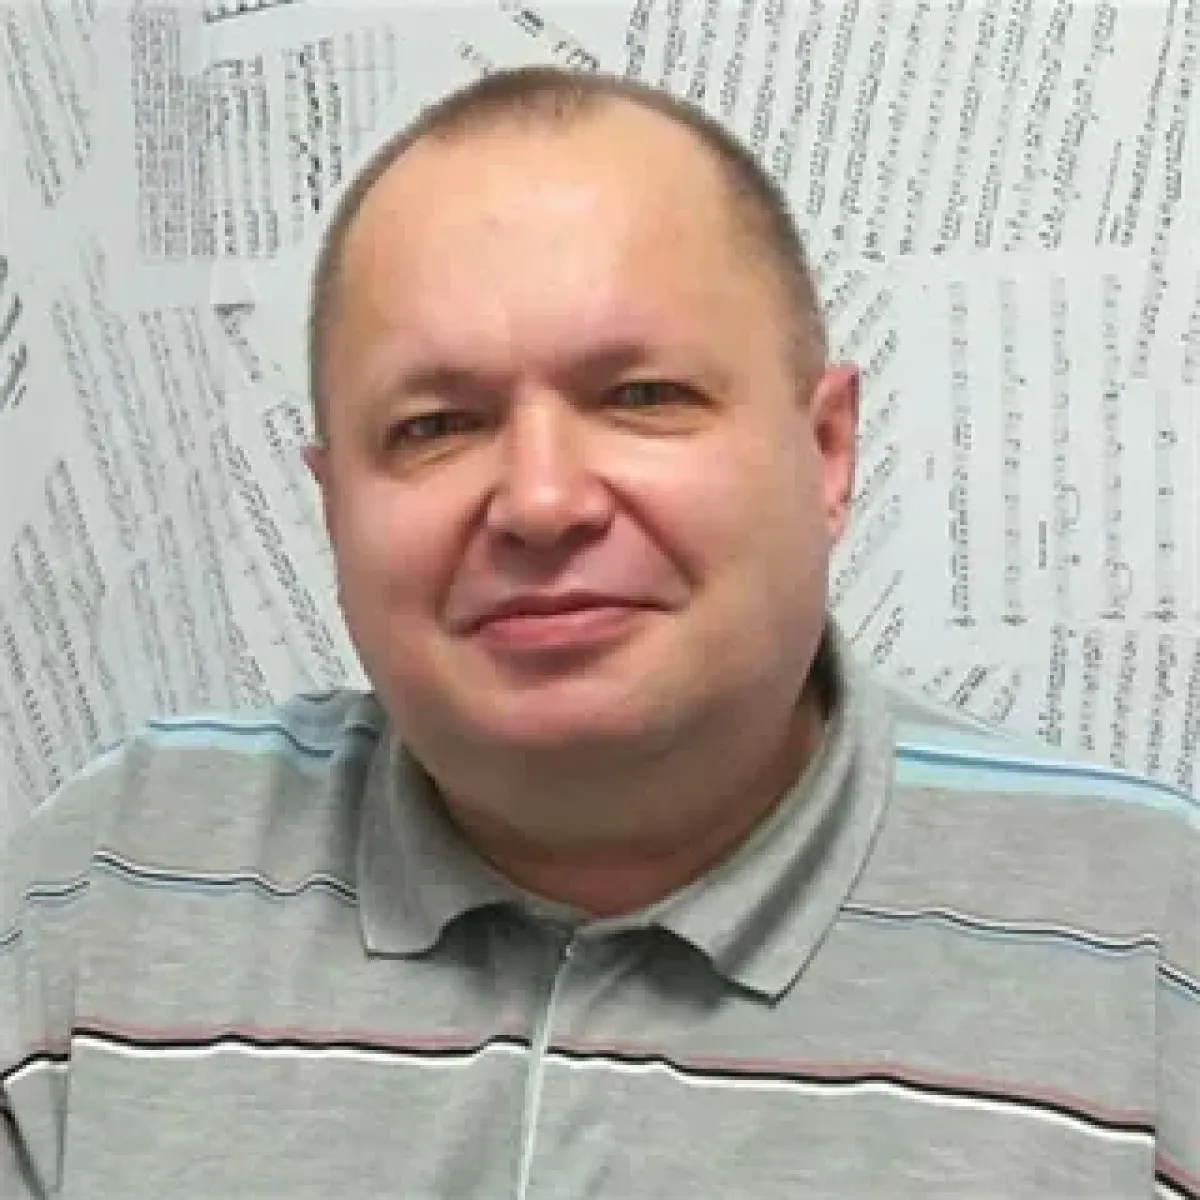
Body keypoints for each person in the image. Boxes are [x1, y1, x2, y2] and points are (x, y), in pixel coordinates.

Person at [2, 64, 1197, 1200]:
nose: (540, 500)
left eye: (642, 397)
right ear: (334, 506)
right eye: (433, 426)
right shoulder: (105, 889)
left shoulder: (1154, 939)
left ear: (827, 451)